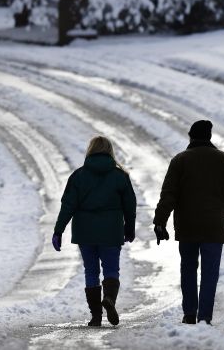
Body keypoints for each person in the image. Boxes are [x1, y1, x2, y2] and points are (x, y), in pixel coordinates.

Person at [153, 120, 224, 325]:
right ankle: (205, 316)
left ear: (191, 136)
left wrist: (160, 222)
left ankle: (189, 313)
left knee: (188, 268)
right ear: (209, 137)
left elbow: (168, 194)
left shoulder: (180, 160)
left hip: (187, 226)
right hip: (214, 225)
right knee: (210, 272)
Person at [52, 136, 137, 327]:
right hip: (111, 230)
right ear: (109, 151)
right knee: (111, 270)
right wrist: (129, 227)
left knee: (91, 271)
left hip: (85, 231)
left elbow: (68, 205)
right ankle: (109, 299)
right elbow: (129, 204)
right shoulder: (120, 176)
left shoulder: (78, 176)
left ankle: (96, 316)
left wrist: (58, 230)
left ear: (90, 150)